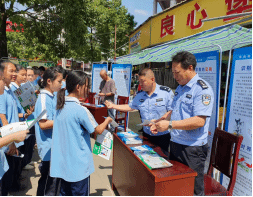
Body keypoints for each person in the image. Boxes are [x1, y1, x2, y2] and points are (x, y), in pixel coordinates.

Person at [150, 51, 214, 196]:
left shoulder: (202, 90)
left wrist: (170, 125)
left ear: (190, 68)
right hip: (176, 143)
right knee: (177, 185)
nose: (174, 76)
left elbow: (199, 121)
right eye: (173, 72)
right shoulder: (180, 87)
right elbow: (174, 111)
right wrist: (161, 121)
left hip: (192, 149)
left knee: (193, 190)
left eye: (177, 72)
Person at [50, 71, 112, 196]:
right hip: (78, 167)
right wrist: (108, 120)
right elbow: (98, 130)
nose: (88, 90)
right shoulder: (81, 110)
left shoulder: (60, 106)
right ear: (78, 87)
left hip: (63, 165)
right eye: (87, 86)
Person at [105, 68, 174, 156]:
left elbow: (171, 111)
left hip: (162, 136)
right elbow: (130, 107)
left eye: (143, 81)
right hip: (146, 135)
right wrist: (113, 106)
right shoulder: (140, 94)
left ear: (152, 79)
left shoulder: (166, 92)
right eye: (139, 81)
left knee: (162, 160)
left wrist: (159, 122)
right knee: (146, 160)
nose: (140, 84)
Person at [34, 67, 63, 196]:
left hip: (52, 146)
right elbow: (43, 124)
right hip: (47, 147)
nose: (61, 84)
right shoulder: (44, 98)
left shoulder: (51, 96)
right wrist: (63, 120)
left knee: (52, 182)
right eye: (59, 81)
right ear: (49, 81)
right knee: (47, 184)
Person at [0, 60, 26, 193]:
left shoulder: (9, 90)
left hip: (13, 140)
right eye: (11, 71)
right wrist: (10, 142)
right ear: (1, 73)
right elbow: (3, 117)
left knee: (10, 177)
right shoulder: (2, 92)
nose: (14, 74)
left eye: (15, 71)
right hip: (6, 143)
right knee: (5, 181)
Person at [10, 64, 36, 171]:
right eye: (23, 75)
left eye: (27, 75)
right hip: (17, 122)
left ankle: (22, 166)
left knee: (23, 147)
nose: (25, 77)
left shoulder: (21, 88)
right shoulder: (11, 89)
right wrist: (23, 115)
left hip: (23, 120)